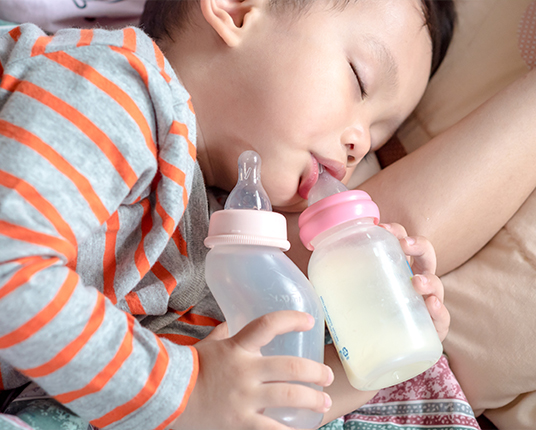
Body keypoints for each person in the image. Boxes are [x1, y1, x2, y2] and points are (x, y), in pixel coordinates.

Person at [0, 0, 454, 429]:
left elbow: (246, 408)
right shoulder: (114, 86)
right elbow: (11, 270)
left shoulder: (208, 246)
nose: (359, 143)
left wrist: (381, 350)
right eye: (360, 81)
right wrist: (184, 391)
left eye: (379, 134)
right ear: (236, 10)